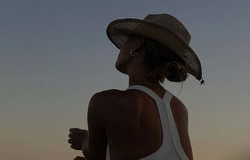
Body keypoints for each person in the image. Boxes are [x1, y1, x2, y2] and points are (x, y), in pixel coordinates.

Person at [68, 13, 205, 160]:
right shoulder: (179, 109)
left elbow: (95, 156)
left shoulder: (106, 102)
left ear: (137, 43)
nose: (121, 48)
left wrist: (84, 139)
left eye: (127, 40)